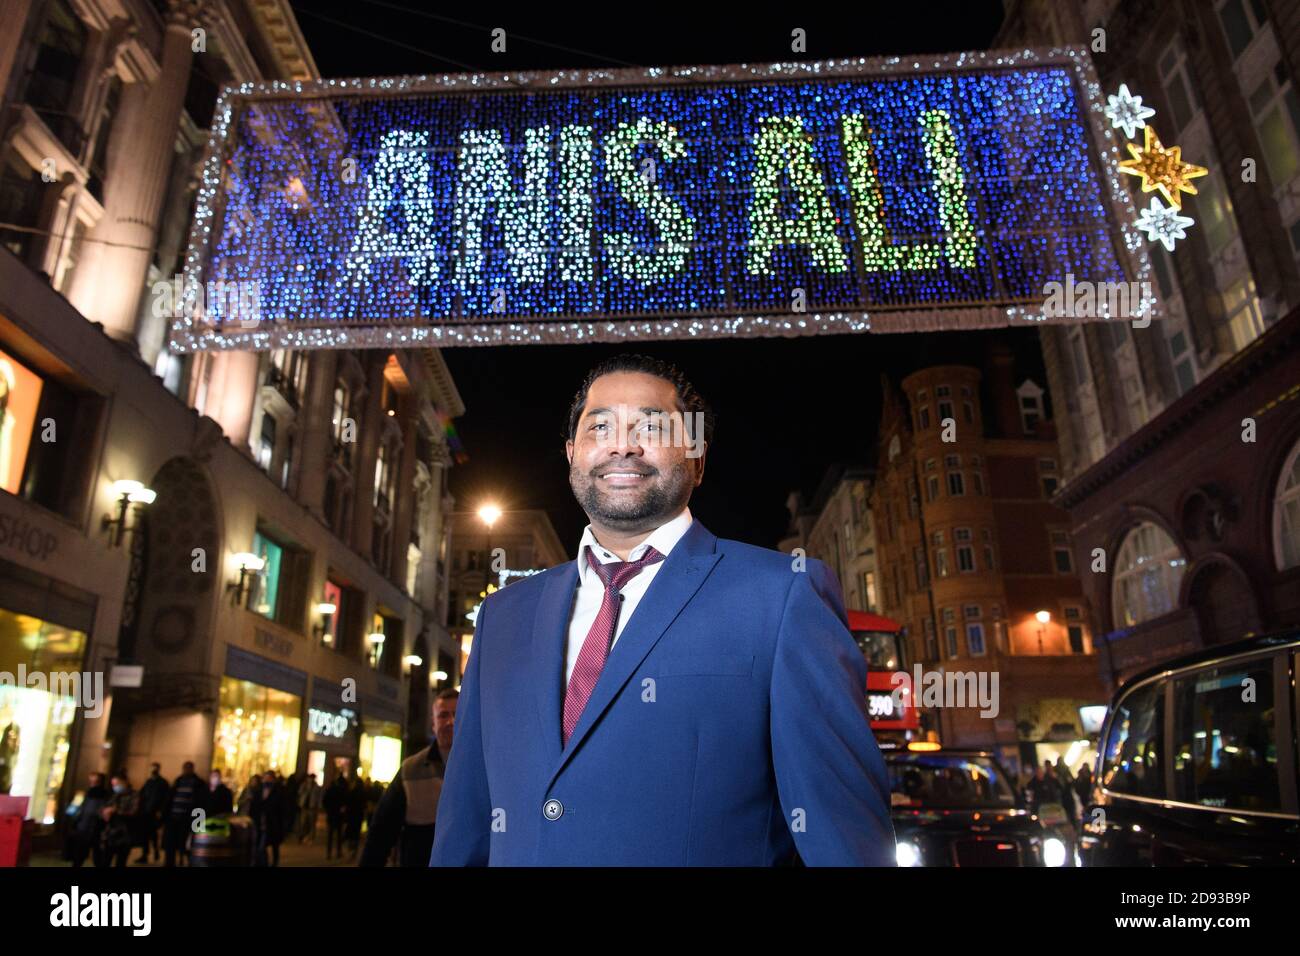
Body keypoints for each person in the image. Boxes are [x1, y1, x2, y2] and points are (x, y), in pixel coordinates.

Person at [430, 354, 895, 866]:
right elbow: (466, 826)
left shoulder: (783, 597)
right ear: (571, 454)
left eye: (649, 426)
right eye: (599, 426)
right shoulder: (502, 617)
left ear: (697, 457)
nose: (621, 444)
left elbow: (846, 843)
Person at [361, 690, 457, 866]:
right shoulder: (410, 770)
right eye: (443, 715)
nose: (451, 721)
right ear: (433, 724)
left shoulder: (484, 769)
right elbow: (380, 833)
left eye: (457, 714)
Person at [163, 761, 208, 867]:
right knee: (171, 844)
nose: (186, 770)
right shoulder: (178, 781)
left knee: (186, 844)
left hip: (187, 819)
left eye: (188, 768)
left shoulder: (198, 783)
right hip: (173, 817)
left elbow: (200, 803)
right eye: (185, 768)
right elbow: (169, 799)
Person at [65, 772, 109, 867]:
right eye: (91, 781)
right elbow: (71, 811)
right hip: (85, 828)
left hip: (95, 829)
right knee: (81, 855)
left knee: (97, 856)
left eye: (95, 782)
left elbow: (71, 811)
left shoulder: (106, 797)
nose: (93, 784)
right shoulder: (83, 795)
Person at [100, 771, 140, 868]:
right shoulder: (114, 796)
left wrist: (115, 811)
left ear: (124, 782)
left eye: (117, 784)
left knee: (120, 862)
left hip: (125, 835)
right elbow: (104, 808)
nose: (115, 787)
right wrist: (104, 812)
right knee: (105, 860)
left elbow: (134, 812)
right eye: (113, 784)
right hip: (110, 834)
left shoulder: (134, 795)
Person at [134, 763, 169, 864]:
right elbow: (142, 794)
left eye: (155, 768)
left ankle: (155, 851)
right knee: (145, 834)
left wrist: (161, 811)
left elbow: (165, 798)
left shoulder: (163, 783)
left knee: (153, 834)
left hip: (154, 813)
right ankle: (145, 854)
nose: (153, 770)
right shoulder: (149, 782)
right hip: (146, 813)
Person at [251, 771, 285, 866]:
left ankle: (273, 863)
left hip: (272, 824)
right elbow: (254, 807)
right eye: (265, 778)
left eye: (269, 778)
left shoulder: (278, 792)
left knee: (273, 847)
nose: (266, 780)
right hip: (260, 823)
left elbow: (281, 810)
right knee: (261, 847)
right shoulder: (258, 791)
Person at [323, 773, 348, 859]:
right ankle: (338, 852)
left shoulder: (330, 790)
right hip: (338, 815)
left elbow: (325, 801)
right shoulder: (342, 791)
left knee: (330, 835)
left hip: (331, 814)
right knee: (338, 835)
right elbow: (345, 803)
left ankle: (329, 853)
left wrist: (328, 810)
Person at [344, 774, 367, 861]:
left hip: (351, 816)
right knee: (356, 834)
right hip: (358, 816)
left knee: (350, 834)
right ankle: (354, 851)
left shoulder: (352, 792)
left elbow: (348, 804)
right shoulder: (363, 793)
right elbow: (364, 806)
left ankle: (350, 851)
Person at [296, 772, 322, 843]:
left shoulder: (317, 787)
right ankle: (302, 836)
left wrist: (319, 806)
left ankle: (311, 838)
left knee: (312, 823)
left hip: (312, 807)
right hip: (304, 806)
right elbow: (299, 793)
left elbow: (319, 797)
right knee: (303, 822)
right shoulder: (304, 785)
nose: (310, 780)